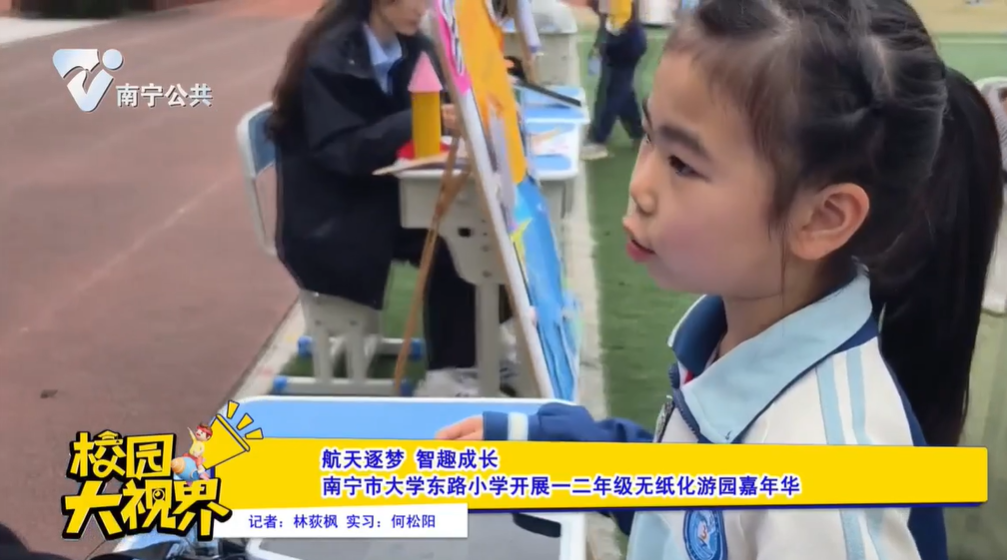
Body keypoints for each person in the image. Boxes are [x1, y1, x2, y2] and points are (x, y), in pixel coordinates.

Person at [438, 0, 1005, 557]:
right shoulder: (742, 332)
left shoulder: (822, 495)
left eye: (683, 164)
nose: (640, 187)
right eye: (650, 136)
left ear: (822, 218)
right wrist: (566, 450)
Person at [267, 0, 517, 396]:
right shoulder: (329, 59)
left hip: (376, 195)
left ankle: (478, 353)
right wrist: (420, 119)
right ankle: (449, 374)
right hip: (332, 218)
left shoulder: (413, 46)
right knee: (457, 240)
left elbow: (433, 107)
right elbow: (344, 151)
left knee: (482, 226)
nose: (423, 9)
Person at [581, 0, 648, 161]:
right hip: (624, 39)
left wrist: (602, 44)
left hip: (625, 42)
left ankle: (598, 140)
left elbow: (617, 22)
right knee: (623, 91)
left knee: (612, 91)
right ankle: (638, 134)